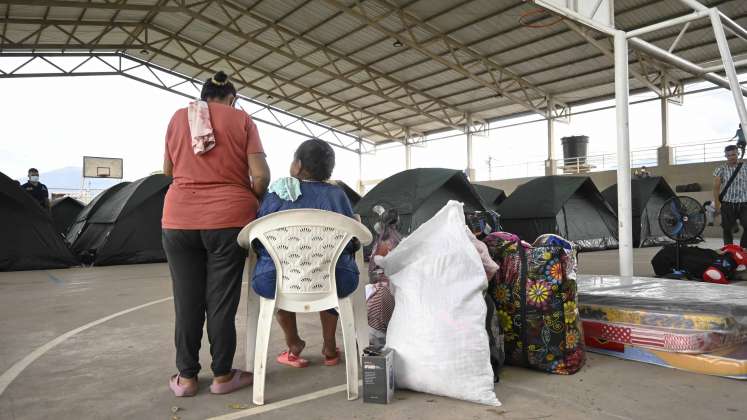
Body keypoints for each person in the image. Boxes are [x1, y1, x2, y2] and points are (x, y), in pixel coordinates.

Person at [162, 71, 271, 397]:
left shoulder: (178, 117)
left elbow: (168, 170)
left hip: (178, 219)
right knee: (221, 301)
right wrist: (250, 198)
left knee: (187, 299)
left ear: (203, 95)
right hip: (228, 220)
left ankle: (187, 379)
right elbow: (261, 175)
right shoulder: (242, 120)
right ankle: (223, 375)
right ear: (232, 99)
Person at [252, 139, 359, 368]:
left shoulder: (277, 194)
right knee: (331, 271)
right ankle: (330, 347)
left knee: (274, 274)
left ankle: (293, 344)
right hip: (335, 278)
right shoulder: (337, 195)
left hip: (276, 281)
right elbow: (352, 241)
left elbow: (258, 241)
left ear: (297, 165)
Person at [714, 145, 747, 247]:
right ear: (725, 156)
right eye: (729, 155)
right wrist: (717, 205)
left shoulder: (745, 167)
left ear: (738, 154)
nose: (731, 157)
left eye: (733, 154)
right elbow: (716, 188)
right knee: (727, 229)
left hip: (744, 203)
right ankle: (729, 251)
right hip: (728, 204)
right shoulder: (720, 169)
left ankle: (743, 249)